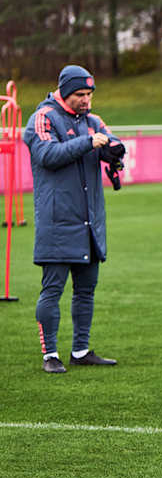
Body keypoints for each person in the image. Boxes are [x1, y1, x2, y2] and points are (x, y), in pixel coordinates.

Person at [23, 65, 122, 373]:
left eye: (90, 94)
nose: (86, 100)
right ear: (65, 92)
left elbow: (110, 140)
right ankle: (50, 355)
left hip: (90, 222)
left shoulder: (93, 121)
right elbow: (48, 156)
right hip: (57, 221)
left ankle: (80, 350)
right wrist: (88, 143)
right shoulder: (42, 118)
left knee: (86, 290)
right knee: (52, 289)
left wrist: (116, 154)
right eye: (80, 94)